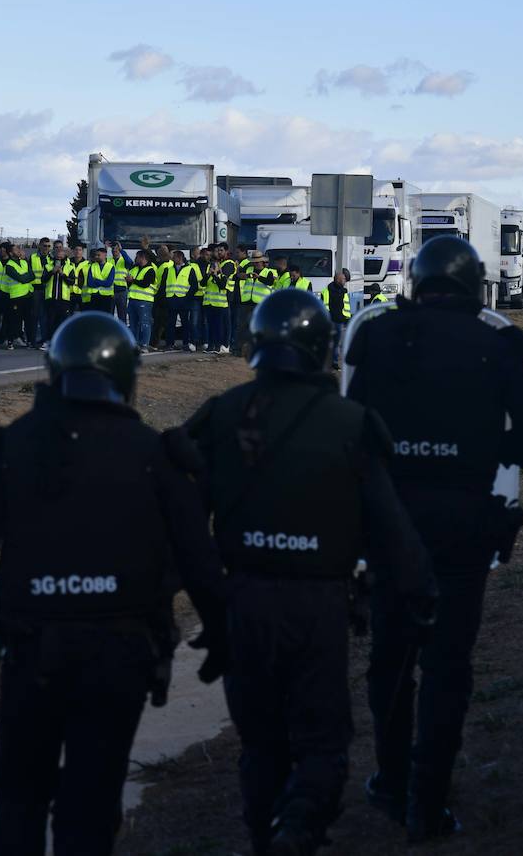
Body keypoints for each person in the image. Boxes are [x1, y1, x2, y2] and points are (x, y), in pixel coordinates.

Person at [0, 312, 229, 856]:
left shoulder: (13, 445)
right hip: (119, 652)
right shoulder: (153, 452)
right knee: (92, 803)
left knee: (20, 795)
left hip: (32, 649)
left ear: (54, 371)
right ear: (127, 375)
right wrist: (221, 633)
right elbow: (199, 559)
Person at [185, 288, 436, 855]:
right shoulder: (351, 422)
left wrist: (210, 602)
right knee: (323, 740)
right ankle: (299, 824)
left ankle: (266, 835)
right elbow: (390, 527)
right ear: (325, 348)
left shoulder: (223, 414)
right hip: (318, 605)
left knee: (260, 744)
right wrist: (419, 594)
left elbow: (183, 519)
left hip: (244, 601)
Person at [346, 235, 523, 843]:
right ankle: (428, 805)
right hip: (464, 524)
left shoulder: (378, 337)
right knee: (447, 669)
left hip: (391, 524)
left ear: (415, 280)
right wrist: (484, 454)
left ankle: (389, 781)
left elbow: (355, 430)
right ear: (475, 285)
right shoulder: (495, 343)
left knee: (391, 659)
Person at [164, 249, 200, 352]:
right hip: (172, 299)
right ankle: (169, 343)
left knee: (185, 323)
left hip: (183, 300)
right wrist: (167, 298)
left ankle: (185, 343)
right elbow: (165, 284)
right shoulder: (169, 269)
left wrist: (187, 297)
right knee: (170, 323)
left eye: (174, 257)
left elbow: (194, 286)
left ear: (180, 258)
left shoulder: (189, 269)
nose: (172, 259)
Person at [201, 245, 234, 354]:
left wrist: (216, 274)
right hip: (209, 301)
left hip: (221, 302)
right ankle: (210, 346)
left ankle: (219, 346)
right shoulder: (210, 267)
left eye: (221, 250)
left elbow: (222, 285)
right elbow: (202, 283)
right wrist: (209, 274)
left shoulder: (227, 267)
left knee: (220, 326)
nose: (219, 252)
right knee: (210, 325)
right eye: (217, 251)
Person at [40, 241, 74, 346]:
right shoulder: (48, 265)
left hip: (64, 299)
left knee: (62, 322)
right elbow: (43, 280)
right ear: (54, 254)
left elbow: (72, 281)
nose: (59, 256)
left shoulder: (70, 267)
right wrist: (52, 272)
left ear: (65, 255)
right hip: (51, 298)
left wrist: (63, 274)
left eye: (61, 254)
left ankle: (60, 342)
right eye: (57, 254)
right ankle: (49, 341)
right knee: (50, 321)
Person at [4, 243, 37, 349]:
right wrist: (26, 277)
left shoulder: (24, 262)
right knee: (14, 320)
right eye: (16, 249)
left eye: (19, 249)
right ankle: (10, 341)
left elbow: (33, 275)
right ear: (10, 253)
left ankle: (30, 342)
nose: (19, 250)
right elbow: (21, 279)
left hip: (28, 295)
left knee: (29, 320)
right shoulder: (9, 265)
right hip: (16, 296)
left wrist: (25, 277)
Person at [126, 249, 157, 352]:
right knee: (133, 323)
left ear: (143, 257)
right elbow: (129, 283)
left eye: (138, 257)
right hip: (133, 299)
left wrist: (133, 280)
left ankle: (144, 344)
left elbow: (145, 283)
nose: (136, 259)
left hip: (145, 300)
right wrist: (129, 280)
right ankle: (134, 344)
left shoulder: (150, 270)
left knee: (145, 323)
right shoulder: (134, 269)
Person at [319, 271, 351, 369]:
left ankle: (333, 362)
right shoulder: (326, 291)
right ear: (338, 280)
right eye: (343, 279)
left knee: (335, 343)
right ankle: (329, 362)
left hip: (338, 321)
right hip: (330, 320)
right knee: (331, 342)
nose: (345, 281)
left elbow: (345, 306)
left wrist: (346, 318)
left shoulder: (343, 291)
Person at [85, 246, 117, 316]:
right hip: (94, 296)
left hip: (106, 297)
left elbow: (109, 283)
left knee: (106, 318)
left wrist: (96, 280)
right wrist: (102, 282)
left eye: (98, 255)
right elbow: (89, 283)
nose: (96, 257)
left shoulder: (111, 266)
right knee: (95, 318)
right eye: (96, 255)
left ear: (105, 255)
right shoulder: (92, 266)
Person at [111, 241, 130, 326]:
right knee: (109, 315)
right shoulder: (109, 260)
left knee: (122, 316)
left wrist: (122, 250)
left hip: (122, 291)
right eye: (113, 250)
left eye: (116, 249)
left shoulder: (124, 260)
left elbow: (130, 262)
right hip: (111, 291)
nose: (114, 251)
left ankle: (123, 335)